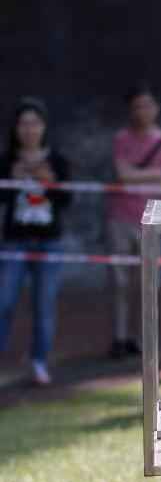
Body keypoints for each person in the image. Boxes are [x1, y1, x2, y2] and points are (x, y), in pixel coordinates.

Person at [107, 83, 161, 359]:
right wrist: (157, 174)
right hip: (120, 217)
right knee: (119, 282)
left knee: (149, 282)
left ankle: (143, 338)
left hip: (151, 219)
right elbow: (123, 174)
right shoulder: (121, 139)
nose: (143, 111)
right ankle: (119, 337)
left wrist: (146, 176)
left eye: (147, 105)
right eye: (137, 106)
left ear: (157, 108)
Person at [0, 97, 71, 385]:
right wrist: (12, 180)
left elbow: (67, 200)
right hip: (15, 241)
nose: (29, 129)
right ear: (16, 128)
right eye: (23, 123)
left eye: (34, 123)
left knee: (44, 306)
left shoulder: (58, 161)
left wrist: (50, 183)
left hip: (49, 242)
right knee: (4, 302)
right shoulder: (6, 161)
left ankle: (39, 362)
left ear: (43, 127)